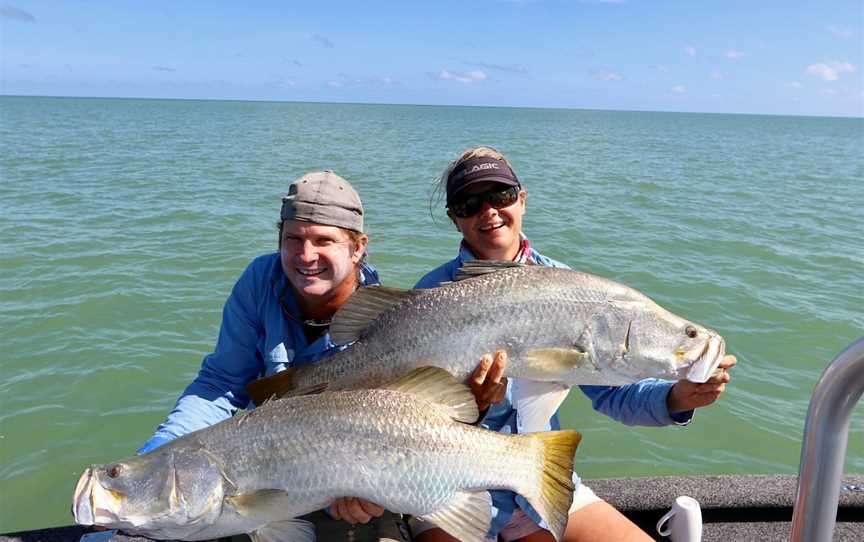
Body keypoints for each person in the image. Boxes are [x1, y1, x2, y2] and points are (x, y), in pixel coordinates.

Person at [411, 146, 737, 542]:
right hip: (452, 487)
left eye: (501, 196)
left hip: (541, 483)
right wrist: (472, 406)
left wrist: (678, 398)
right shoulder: (431, 295)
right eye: (469, 203)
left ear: (522, 199)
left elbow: (613, 395)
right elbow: (409, 418)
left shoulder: (573, 288)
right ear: (454, 218)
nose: (489, 211)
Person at [136, 170, 408, 540]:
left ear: (358, 246)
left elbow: (398, 426)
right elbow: (222, 384)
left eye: (323, 240)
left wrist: (369, 490)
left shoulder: (388, 320)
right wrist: (158, 459)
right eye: (293, 239)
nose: (306, 255)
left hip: (352, 481)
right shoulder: (260, 280)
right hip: (267, 479)